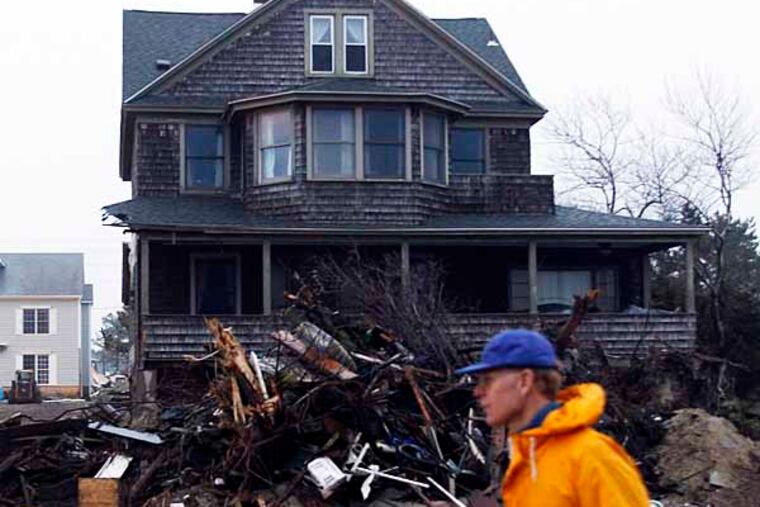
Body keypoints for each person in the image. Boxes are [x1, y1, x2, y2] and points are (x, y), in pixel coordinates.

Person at [456, 329, 650, 507]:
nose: (478, 392)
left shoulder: (592, 456)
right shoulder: (525, 459)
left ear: (524, 381)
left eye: (488, 380)